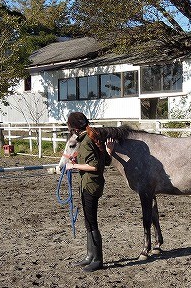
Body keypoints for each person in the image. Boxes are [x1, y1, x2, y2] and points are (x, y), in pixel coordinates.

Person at [65, 112, 114, 272]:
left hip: (89, 185)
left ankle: (98, 259)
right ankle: (90, 256)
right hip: (91, 184)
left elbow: (94, 166)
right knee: (88, 221)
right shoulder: (91, 138)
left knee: (92, 221)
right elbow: (104, 161)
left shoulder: (86, 141)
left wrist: (73, 166)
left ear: (73, 128)